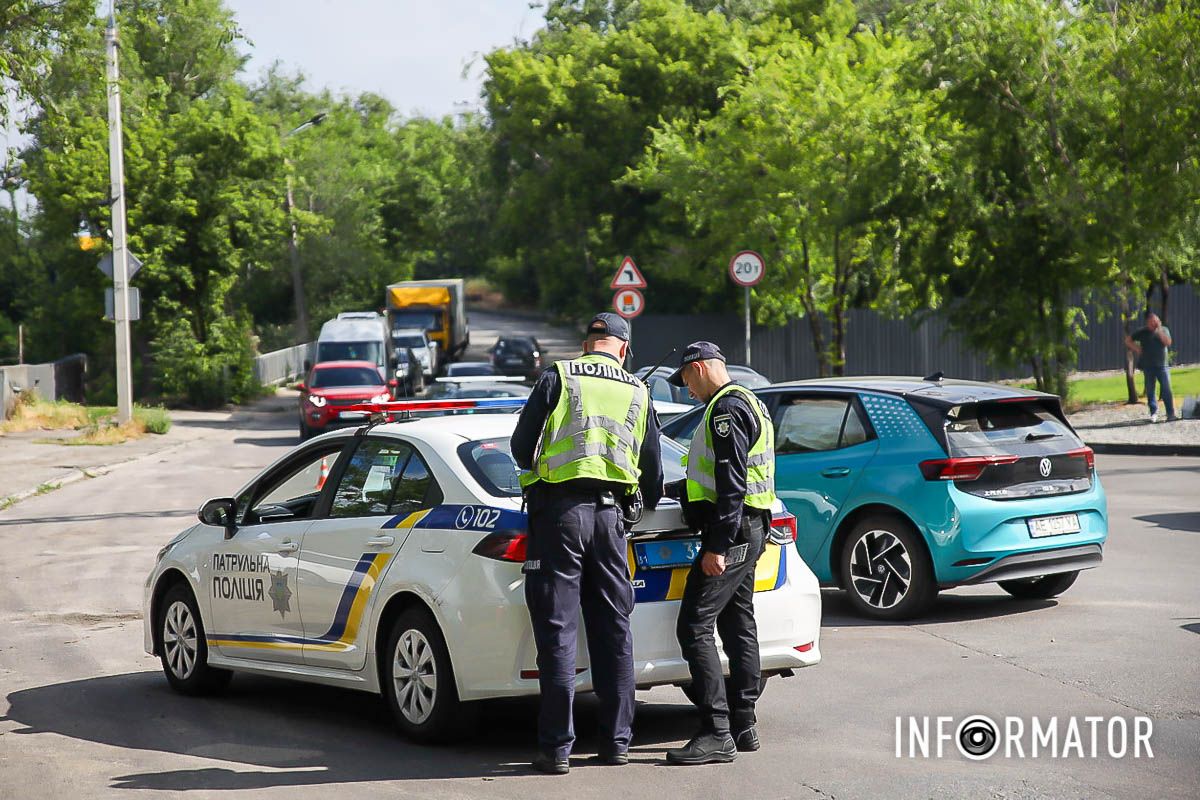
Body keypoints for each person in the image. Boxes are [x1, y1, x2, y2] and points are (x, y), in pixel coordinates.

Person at [510, 312, 664, 775]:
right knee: (614, 631)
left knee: (558, 633)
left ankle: (557, 750)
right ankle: (616, 743)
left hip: (560, 516)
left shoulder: (559, 376)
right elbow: (652, 470)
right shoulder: (638, 390)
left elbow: (521, 446)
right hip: (612, 520)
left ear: (587, 343)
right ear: (622, 348)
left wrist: (542, 478)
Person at [662, 341, 775, 766]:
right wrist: (671, 491)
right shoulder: (749, 402)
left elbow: (732, 484)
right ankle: (744, 724)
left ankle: (716, 731)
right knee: (737, 621)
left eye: (686, 378)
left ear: (702, 368)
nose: (686, 388)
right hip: (751, 525)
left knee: (694, 625)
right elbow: (712, 479)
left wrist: (717, 546)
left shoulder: (726, 410)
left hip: (733, 530)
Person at [1125, 311, 1175, 422]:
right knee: (1150, 390)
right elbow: (1128, 341)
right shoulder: (1142, 332)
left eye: (1155, 321)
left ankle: (1170, 413)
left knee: (1167, 389)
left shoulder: (1163, 330)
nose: (1153, 323)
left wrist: (1159, 330)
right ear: (1148, 322)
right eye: (1151, 321)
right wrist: (1137, 348)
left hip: (1162, 365)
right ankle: (1154, 412)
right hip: (1148, 366)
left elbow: (1167, 342)